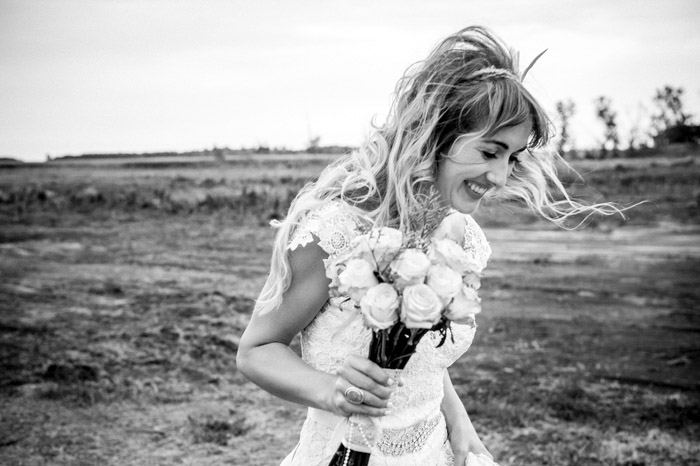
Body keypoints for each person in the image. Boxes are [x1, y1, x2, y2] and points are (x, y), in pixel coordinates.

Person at [236, 26, 621, 466]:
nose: (500, 177)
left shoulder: (457, 236)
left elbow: (420, 359)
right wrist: (331, 391)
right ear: (436, 135)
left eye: (512, 158)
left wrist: (458, 420)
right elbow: (256, 351)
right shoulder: (336, 231)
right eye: (490, 152)